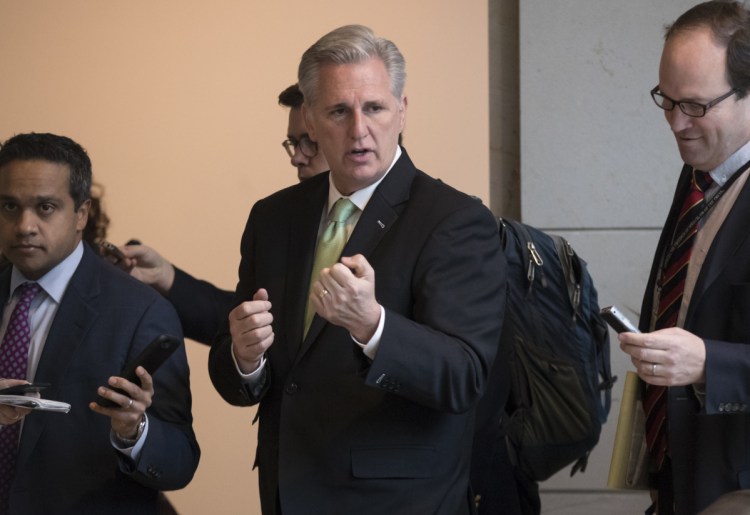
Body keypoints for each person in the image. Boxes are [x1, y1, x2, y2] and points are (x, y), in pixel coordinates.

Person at [208, 24, 507, 515]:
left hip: (395, 501)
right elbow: (248, 373)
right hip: (288, 494)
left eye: (374, 108)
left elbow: (464, 376)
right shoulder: (273, 216)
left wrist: (373, 326)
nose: (358, 130)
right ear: (310, 117)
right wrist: (244, 357)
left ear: (402, 111)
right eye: (338, 111)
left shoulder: (455, 219)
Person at [0, 132, 199, 514]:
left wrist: (133, 431)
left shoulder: (141, 312)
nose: (24, 225)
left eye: (45, 208)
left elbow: (180, 461)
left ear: (81, 214)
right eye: (10, 206)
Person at [619, 2, 750, 513]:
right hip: (679, 481)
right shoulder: (698, 172)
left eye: (694, 105)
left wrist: (708, 364)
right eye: (666, 100)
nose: (675, 123)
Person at [114, 83, 331, 345]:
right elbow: (243, 321)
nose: (296, 158)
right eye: (293, 143)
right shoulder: (279, 220)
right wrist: (165, 276)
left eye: (309, 142)